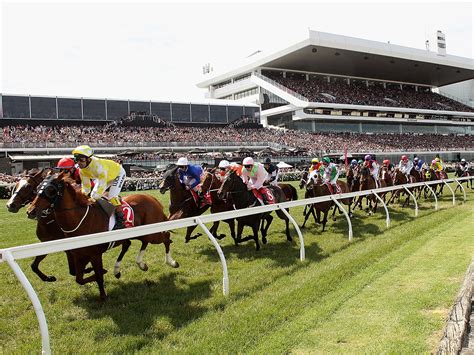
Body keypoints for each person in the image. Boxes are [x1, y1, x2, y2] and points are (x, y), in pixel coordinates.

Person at [72, 145, 127, 229]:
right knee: (93, 194)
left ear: (88, 159)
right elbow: (86, 187)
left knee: (112, 196)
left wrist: (92, 199)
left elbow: (101, 185)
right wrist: (82, 197)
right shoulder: (82, 170)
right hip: (107, 176)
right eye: (76, 160)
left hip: (118, 174)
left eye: (81, 160)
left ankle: (121, 221)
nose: (79, 163)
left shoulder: (99, 167)